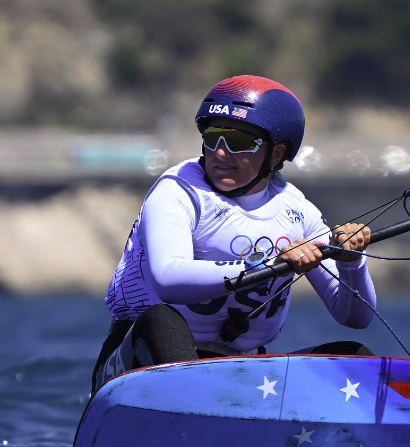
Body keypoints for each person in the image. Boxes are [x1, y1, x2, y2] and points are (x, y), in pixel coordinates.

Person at [91, 75, 376, 393]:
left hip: (240, 375)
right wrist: (268, 264)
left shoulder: (299, 212)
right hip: (139, 362)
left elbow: (355, 316)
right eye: (214, 138)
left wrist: (352, 262)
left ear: (277, 153)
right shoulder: (178, 190)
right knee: (162, 321)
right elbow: (167, 279)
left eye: (238, 142)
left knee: (354, 356)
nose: (221, 153)